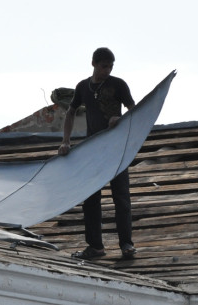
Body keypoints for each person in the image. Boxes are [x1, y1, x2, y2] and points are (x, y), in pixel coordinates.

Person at [58, 47, 136, 260]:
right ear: (94, 64)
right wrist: (66, 141)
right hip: (93, 151)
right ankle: (95, 247)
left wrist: (120, 120)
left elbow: (134, 111)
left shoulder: (118, 85)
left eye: (111, 66)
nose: (107, 70)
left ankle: (126, 245)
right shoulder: (83, 87)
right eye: (104, 66)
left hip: (116, 149)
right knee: (91, 198)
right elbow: (71, 112)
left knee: (121, 198)